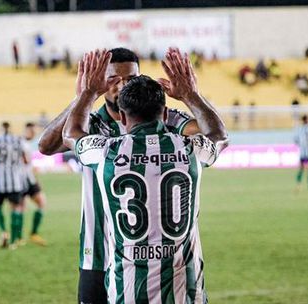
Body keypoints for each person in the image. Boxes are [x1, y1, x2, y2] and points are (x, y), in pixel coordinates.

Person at [38, 47, 203, 304]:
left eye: (131, 78)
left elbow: (205, 131)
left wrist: (190, 97)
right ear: (101, 82)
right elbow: (46, 145)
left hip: (148, 258)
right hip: (98, 253)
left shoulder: (163, 119)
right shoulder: (88, 123)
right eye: (114, 79)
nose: (123, 85)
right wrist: (84, 96)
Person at [21, 122, 48, 246]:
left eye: (34, 132)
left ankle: (33, 234)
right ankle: (17, 236)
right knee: (19, 208)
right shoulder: (21, 144)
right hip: (20, 181)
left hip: (29, 180)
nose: (33, 134)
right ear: (26, 131)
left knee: (41, 203)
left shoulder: (26, 144)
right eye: (31, 131)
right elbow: (25, 163)